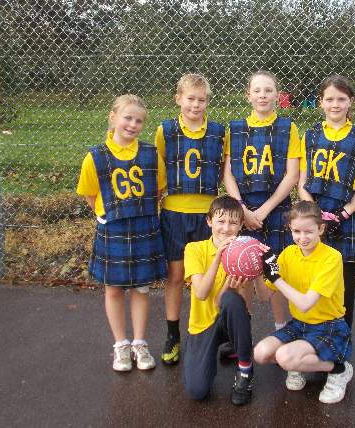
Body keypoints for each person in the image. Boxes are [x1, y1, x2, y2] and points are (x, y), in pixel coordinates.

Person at [77, 94, 167, 372]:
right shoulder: (95, 157)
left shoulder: (151, 154)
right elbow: (91, 195)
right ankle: (121, 345)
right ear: (113, 117)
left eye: (139, 120)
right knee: (114, 289)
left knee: (141, 287)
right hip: (114, 228)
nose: (132, 124)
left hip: (144, 228)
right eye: (127, 117)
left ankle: (140, 342)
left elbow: (159, 189)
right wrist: (109, 214)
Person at [155, 74, 226, 366]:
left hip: (206, 215)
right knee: (176, 275)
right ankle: (173, 334)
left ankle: (209, 331)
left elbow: (222, 170)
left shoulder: (220, 132)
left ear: (208, 102)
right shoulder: (165, 130)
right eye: (190, 99)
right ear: (179, 99)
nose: (196, 105)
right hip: (174, 212)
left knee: (210, 275)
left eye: (201, 100)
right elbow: (159, 170)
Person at [223, 70, 301, 332]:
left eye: (268, 90)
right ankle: (243, 332)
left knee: (275, 269)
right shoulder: (234, 129)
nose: (262, 95)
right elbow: (228, 173)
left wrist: (264, 211)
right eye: (257, 90)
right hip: (242, 209)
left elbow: (292, 175)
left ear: (278, 96)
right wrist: (242, 210)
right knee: (242, 270)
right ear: (248, 96)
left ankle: (282, 328)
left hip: (276, 209)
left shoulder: (288, 128)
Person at [254, 201, 353, 404]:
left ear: (321, 228)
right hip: (300, 324)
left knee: (284, 357)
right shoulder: (288, 254)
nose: (302, 238)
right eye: (296, 231)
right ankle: (298, 362)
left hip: (329, 325)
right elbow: (264, 297)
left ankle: (339, 369)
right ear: (290, 229)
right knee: (261, 353)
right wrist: (259, 270)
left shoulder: (332, 258)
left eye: (308, 231)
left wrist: (276, 279)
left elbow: (306, 303)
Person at [297, 75, 355, 329]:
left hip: (347, 215)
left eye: (341, 99)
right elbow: (302, 179)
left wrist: (346, 211)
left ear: (350, 101)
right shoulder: (310, 135)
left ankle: (341, 341)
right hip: (316, 216)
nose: (335, 104)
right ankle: (315, 333)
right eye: (329, 99)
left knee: (343, 280)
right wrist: (312, 212)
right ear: (320, 102)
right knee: (313, 275)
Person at [183, 195, 257, 405]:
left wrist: (241, 282)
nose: (226, 228)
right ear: (209, 221)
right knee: (197, 391)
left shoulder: (245, 254)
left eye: (233, 222)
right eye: (220, 221)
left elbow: (243, 306)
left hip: (229, 319)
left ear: (241, 225)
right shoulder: (194, 249)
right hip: (202, 325)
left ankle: (245, 369)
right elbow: (202, 294)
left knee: (232, 301)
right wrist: (219, 257)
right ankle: (229, 347)